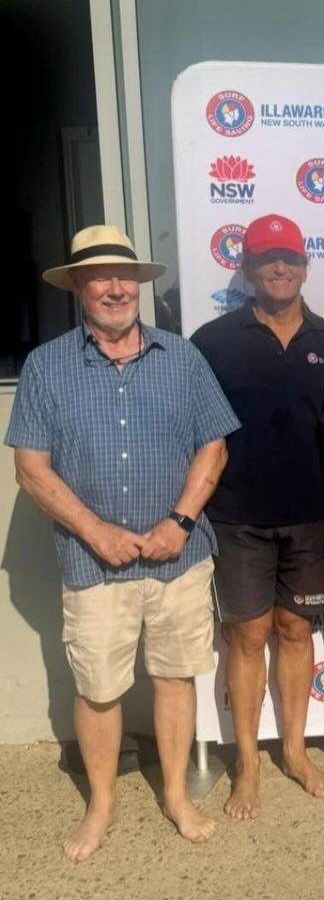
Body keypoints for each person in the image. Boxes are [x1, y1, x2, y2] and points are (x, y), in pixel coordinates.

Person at [5, 224, 240, 860]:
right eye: (100, 277)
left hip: (180, 559)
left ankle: (175, 796)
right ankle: (101, 806)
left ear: (138, 285)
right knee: (99, 689)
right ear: (78, 287)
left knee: (171, 678)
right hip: (91, 563)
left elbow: (212, 444)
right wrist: (96, 532)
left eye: (125, 277)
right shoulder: (46, 365)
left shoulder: (182, 356)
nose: (115, 288)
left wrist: (180, 522)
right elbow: (30, 468)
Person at [190, 213, 324, 819]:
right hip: (237, 517)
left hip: (312, 518)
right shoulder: (213, 341)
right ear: (250, 269)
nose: (279, 267)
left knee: (295, 632)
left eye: (289, 257)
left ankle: (296, 752)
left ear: (306, 267)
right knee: (247, 634)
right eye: (266, 258)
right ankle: (248, 768)